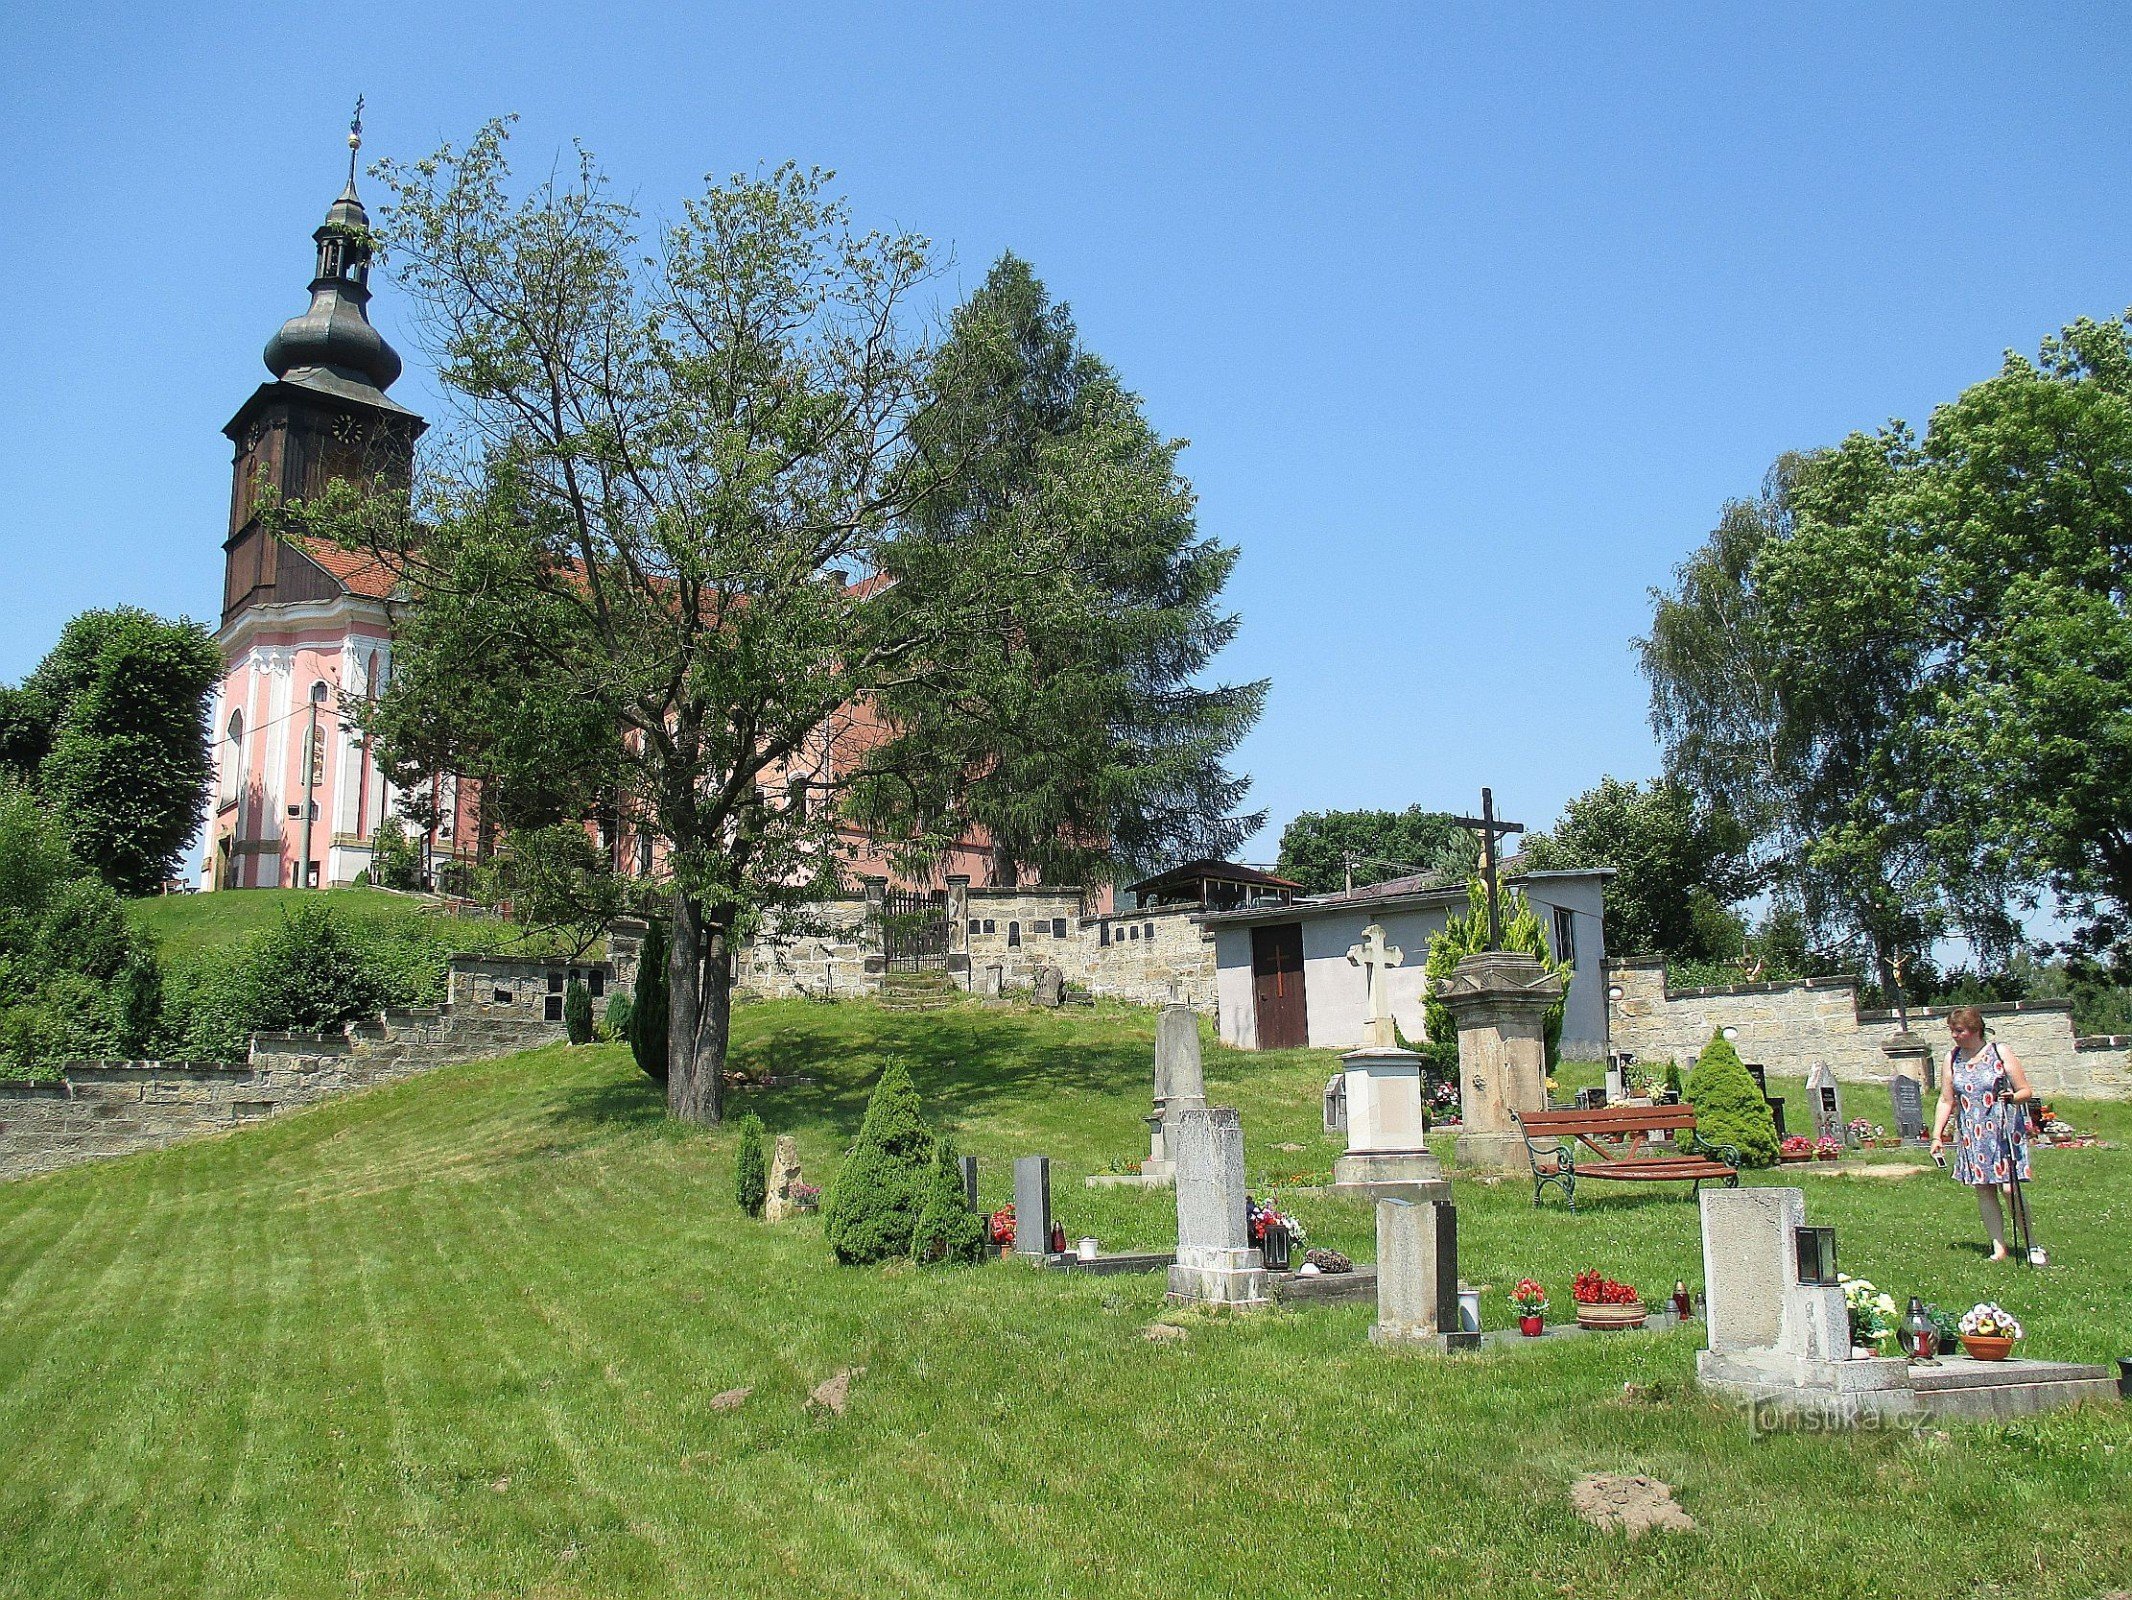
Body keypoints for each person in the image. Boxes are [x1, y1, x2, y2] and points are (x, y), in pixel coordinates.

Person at [1929, 1005, 2033, 1262]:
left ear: (1976, 1030)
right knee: (1984, 1189)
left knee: (2010, 1189)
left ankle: (2031, 1244)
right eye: (1952, 1031)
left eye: (1959, 1031)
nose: (1954, 1036)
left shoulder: (1999, 1052)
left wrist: (2012, 1097)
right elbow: (1946, 1099)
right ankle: (1998, 1247)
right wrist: (1937, 1136)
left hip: (2003, 1131)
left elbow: (2025, 1090)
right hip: (1972, 1134)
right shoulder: (1952, 1059)